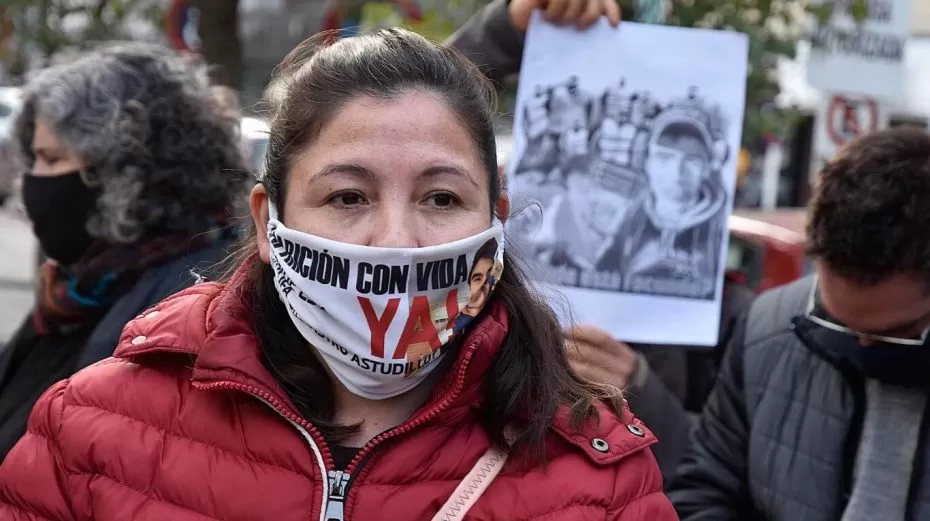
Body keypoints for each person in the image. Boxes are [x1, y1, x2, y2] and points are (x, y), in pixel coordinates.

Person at [0, 29, 677, 520]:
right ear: (268, 223)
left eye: (442, 198)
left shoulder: (602, 476)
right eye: (347, 196)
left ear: (494, 222)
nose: (395, 240)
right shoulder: (91, 428)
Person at [449, 0, 754, 479]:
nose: (606, 198)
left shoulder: (732, 315)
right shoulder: (484, 275)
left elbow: (719, 471)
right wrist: (506, 30)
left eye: (690, 159)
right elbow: (403, 109)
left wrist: (638, 386)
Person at [667, 127, 930, 520]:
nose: (863, 345)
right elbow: (705, 489)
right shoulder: (765, 327)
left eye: (896, 334)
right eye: (834, 322)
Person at [0, 42, 245, 460]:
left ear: (123, 173)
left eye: (51, 158)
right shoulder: (77, 289)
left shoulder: (195, 309)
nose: (33, 180)